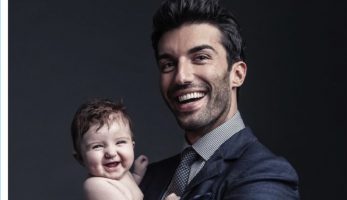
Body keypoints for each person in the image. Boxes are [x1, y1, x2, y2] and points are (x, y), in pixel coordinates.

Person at [138, 0, 300, 199]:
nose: (181, 77)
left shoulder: (265, 174)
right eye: (168, 64)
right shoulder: (147, 178)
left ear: (237, 74)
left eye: (201, 57)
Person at [70, 98, 149, 200]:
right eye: (97, 146)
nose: (111, 153)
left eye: (120, 142)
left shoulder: (123, 173)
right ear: (80, 158)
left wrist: (137, 175)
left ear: (132, 146)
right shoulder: (95, 186)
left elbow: (129, 194)